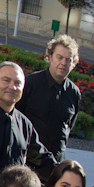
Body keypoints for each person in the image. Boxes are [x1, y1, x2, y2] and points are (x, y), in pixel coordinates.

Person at [17, 35, 84, 165]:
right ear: (49, 57)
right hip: (29, 161)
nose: (63, 63)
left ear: (73, 64)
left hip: (56, 165)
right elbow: (16, 119)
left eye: (68, 60)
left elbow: (68, 127)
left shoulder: (74, 93)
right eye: (59, 57)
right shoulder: (30, 84)